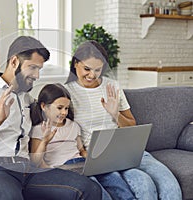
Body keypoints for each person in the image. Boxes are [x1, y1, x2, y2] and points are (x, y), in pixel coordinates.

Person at [0, 36, 102, 200]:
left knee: (89, 189)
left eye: (39, 69)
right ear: (14, 62)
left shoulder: (26, 98)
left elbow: (56, 110)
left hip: (28, 169)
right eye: (32, 67)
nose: (37, 75)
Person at [65, 40, 182, 200]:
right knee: (144, 184)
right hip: (100, 158)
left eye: (98, 70)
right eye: (87, 69)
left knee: (169, 183)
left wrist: (115, 114)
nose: (92, 75)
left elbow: (131, 125)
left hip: (128, 151)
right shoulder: (66, 92)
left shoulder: (112, 86)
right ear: (76, 63)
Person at [29, 83, 135, 200]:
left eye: (66, 108)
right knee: (95, 185)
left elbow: (81, 150)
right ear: (44, 106)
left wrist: (92, 160)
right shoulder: (38, 130)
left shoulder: (73, 126)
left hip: (82, 163)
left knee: (113, 177)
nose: (64, 112)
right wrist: (45, 141)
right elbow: (35, 161)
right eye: (59, 108)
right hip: (64, 168)